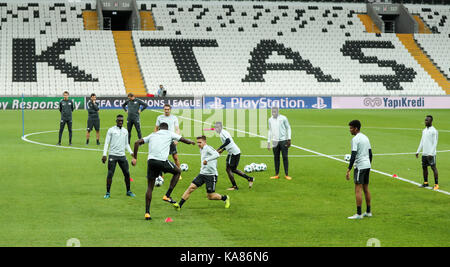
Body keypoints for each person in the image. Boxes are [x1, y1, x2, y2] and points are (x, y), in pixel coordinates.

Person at [132, 122, 195, 220]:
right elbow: (182, 139)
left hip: (151, 162)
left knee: (150, 187)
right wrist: (190, 142)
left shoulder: (153, 134)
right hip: (162, 161)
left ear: (159, 129)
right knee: (178, 171)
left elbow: (136, 142)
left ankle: (147, 213)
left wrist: (135, 157)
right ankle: (167, 195)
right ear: (167, 128)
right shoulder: (169, 133)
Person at [172, 136, 231, 211]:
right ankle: (179, 205)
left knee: (210, 196)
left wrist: (207, 159)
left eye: (200, 142)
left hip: (211, 175)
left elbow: (216, 155)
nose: (198, 144)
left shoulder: (207, 148)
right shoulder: (201, 149)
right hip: (202, 173)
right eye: (197, 142)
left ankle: (225, 198)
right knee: (190, 188)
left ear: (205, 142)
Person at [102, 115, 135, 199]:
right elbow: (106, 143)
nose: (120, 122)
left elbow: (126, 144)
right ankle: (108, 192)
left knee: (127, 173)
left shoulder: (125, 131)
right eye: (119, 121)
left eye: (121, 121)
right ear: (116, 121)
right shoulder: (111, 130)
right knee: (110, 174)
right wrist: (104, 154)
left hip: (122, 156)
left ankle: (128, 191)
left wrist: (131, 153)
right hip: (113, 155)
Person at [215, 121, 254, 190]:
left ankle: (235, 186)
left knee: (228, 169)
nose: (216, 129)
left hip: (233, 153)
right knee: (233, 169)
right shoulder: (224, 132)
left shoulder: (222, 133)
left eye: (217, 127)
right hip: (235, 152)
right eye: (215, 127)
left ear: (221, 127)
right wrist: (223, 150)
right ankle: (249, 178)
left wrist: (219, 148)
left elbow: (228, 141)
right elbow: (229, 143)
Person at [346, 120, 373, 220]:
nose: (350, 130)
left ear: (356, 128)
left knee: (358, 189)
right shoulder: (366, 137)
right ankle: (368, 211)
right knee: (366, 188)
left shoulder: (355, 139)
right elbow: (370, 153)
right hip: (367, 165)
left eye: (351, 128)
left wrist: (349, 169)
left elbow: (353, 155)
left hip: (360, 166)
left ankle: (358, 214)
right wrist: (368, 164)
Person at [155, 104, 182, 178]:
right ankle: (160, 175)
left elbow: (177, 129)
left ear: (170, 110)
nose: (166, 111)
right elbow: (156, 128)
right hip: (162, 141)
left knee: (175, 157)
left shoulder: (174, 118)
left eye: (168, 109)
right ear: (163, 110)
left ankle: (179, 173)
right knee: (161, 158)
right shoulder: (160, 117)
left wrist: (177, 139)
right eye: (165, 109)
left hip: (171, 140)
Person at [267, 106, 292, 180]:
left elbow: (288, 127)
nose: (273, 113)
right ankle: (276, 174)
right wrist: (268, 141)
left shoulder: (283, 118)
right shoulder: (270, 119)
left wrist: (289, 139)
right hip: (275, 141)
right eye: (272, 112)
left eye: (275, 112)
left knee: (285, 157)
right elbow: (270, 130)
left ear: (278, 112)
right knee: (276, 158)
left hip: (283, 140)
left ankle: (286, 174)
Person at [416, 115, 439, 190]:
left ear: (431, 121)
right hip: (424, 153)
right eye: (425, 120)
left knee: (433, 168)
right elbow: (422, 141)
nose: (425, 121)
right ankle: (425, 183)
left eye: (427, 120)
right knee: (424, 168)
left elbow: (435, 143)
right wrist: (418, 151)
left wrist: (431, 153)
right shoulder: (424, 130)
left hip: (431, 154)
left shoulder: (434, 131)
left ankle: (436, 185)